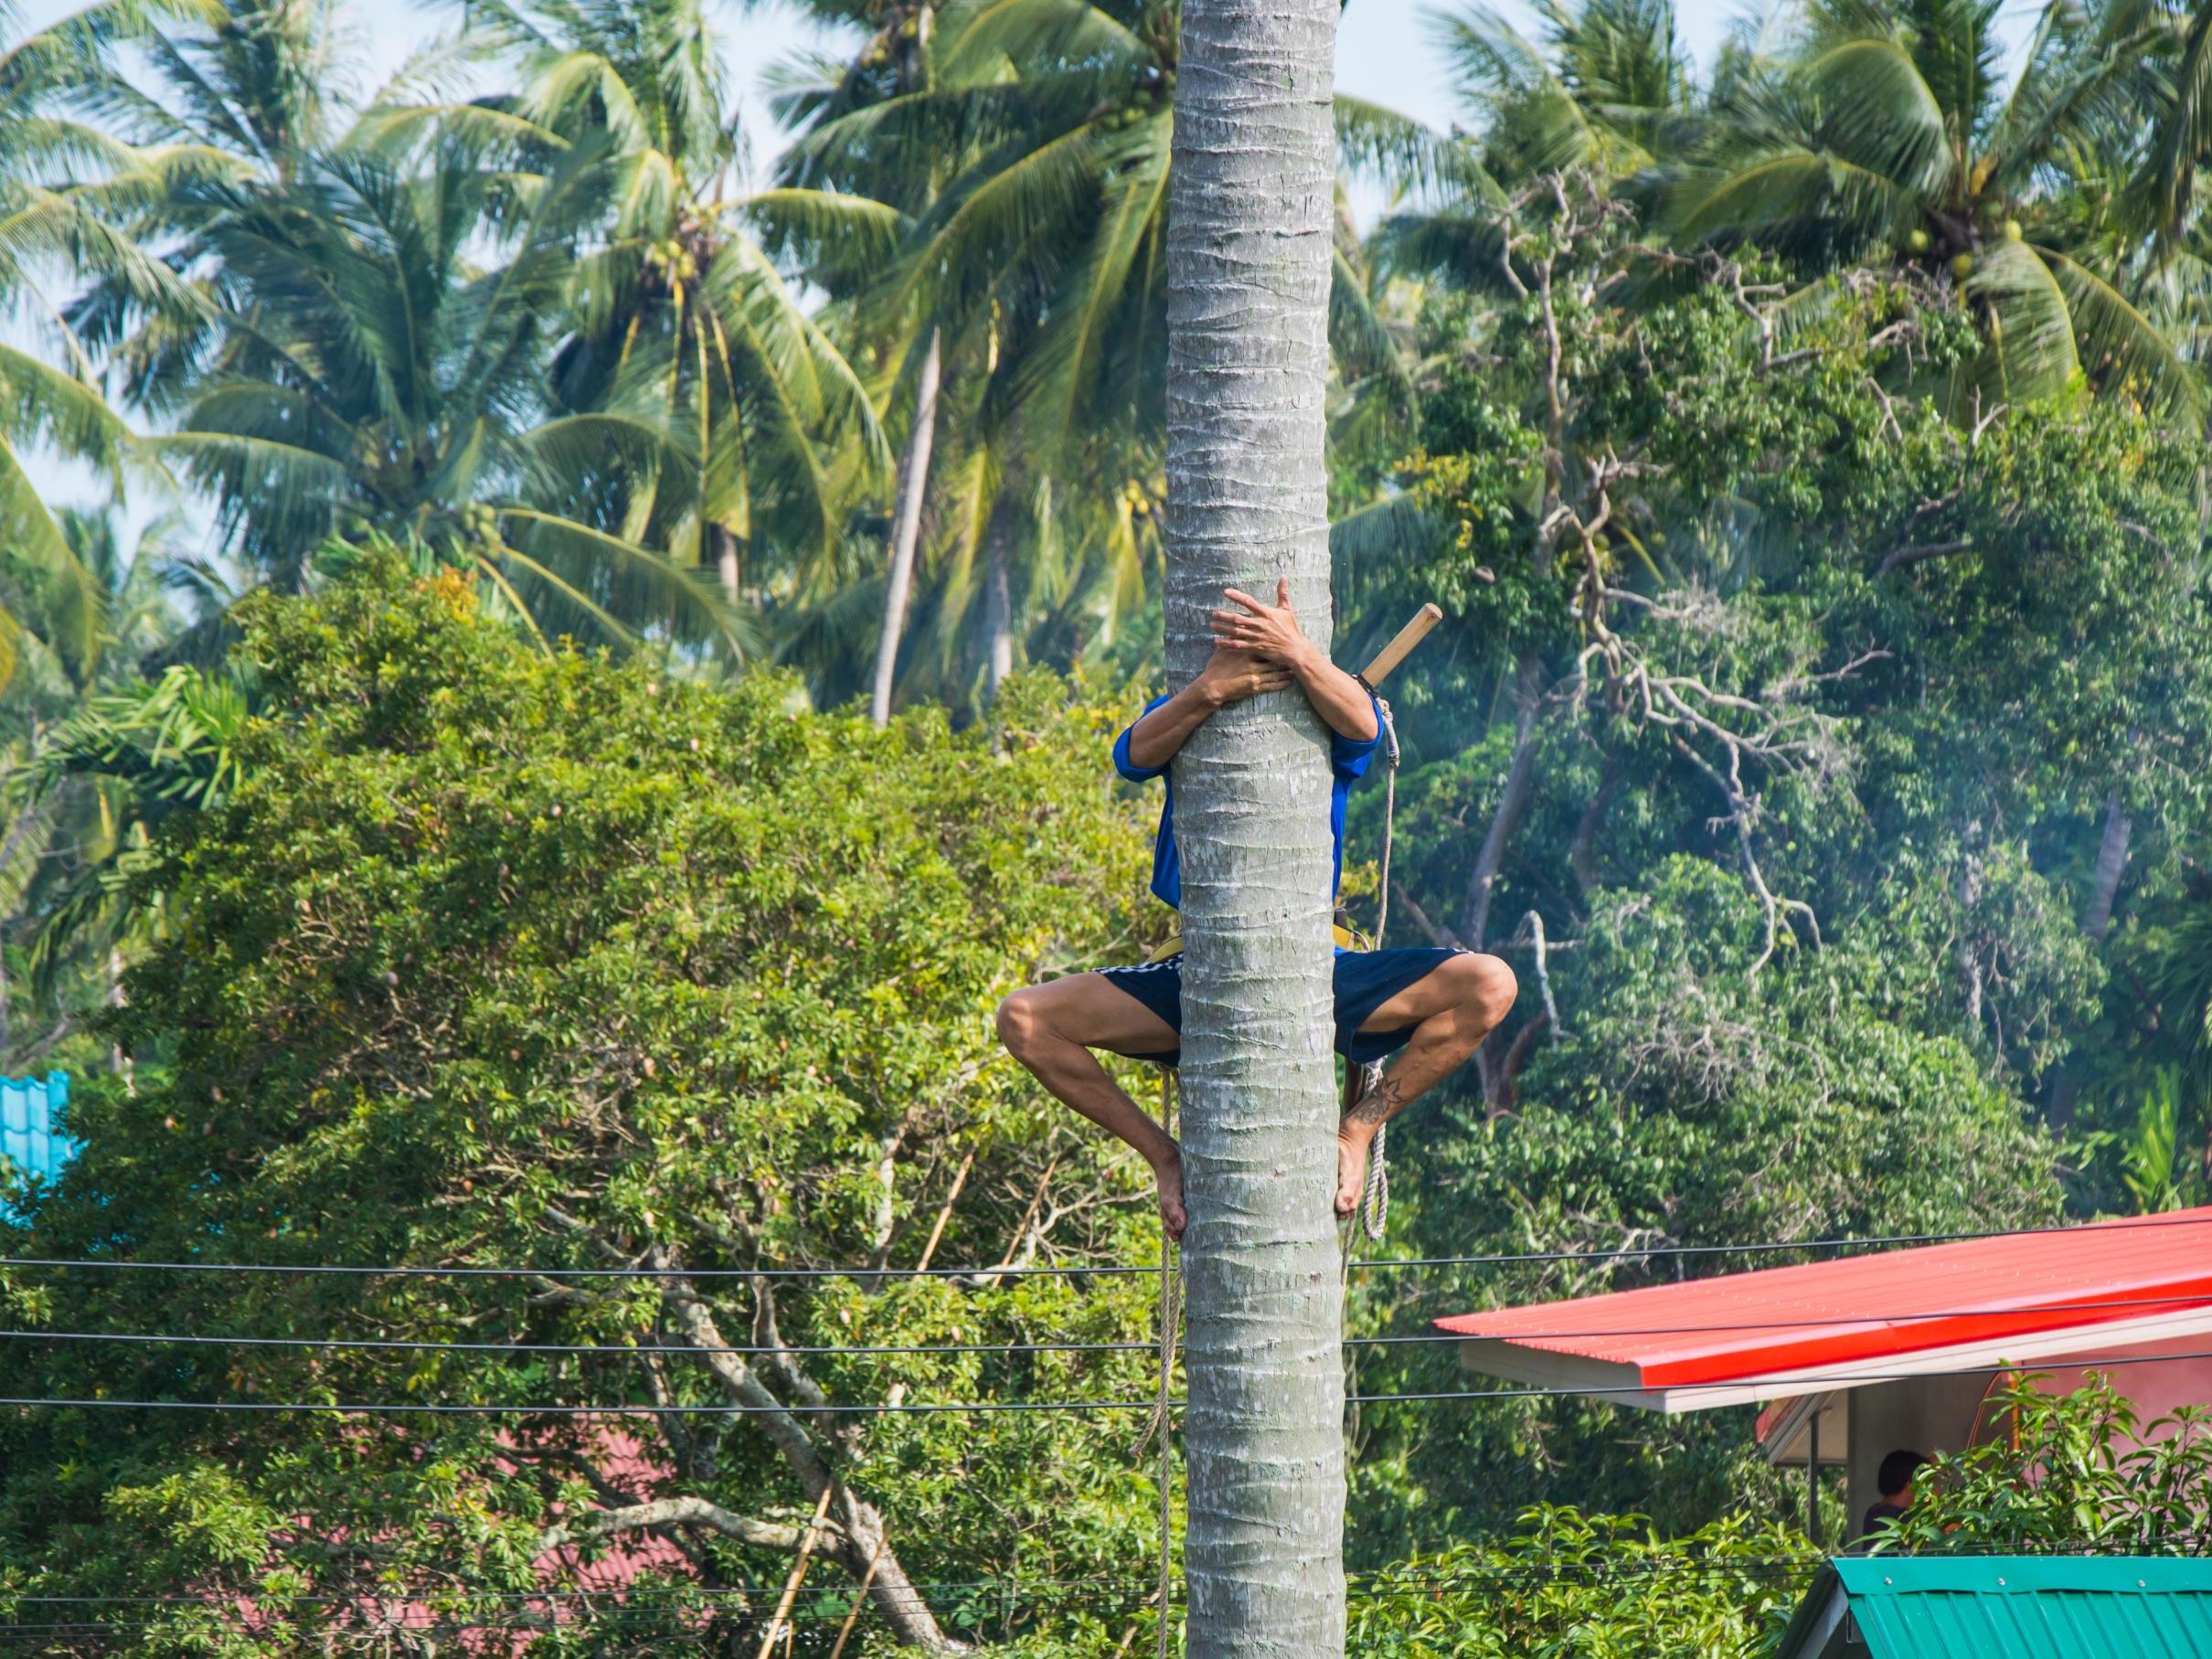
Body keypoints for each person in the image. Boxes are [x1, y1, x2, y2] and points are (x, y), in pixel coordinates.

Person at [994, 579, 1518, 1239]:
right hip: (1201, 973)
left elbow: (1364, 723)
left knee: (1490, 981)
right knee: (1024, 1018)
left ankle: (1357, 1129)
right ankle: (1164, 1156)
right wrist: (1211, 689)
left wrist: (1298, 656)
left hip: (1313, 967)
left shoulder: (1333, 709)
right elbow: (1130, 755)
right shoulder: (1190, 710)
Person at [1857, 1449, 1929, 1544]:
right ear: (1911, 1484)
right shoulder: (1887, 1516)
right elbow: (1939, 1529)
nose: (1929, 1488)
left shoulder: (1874, 1512)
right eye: (1926, 1481)